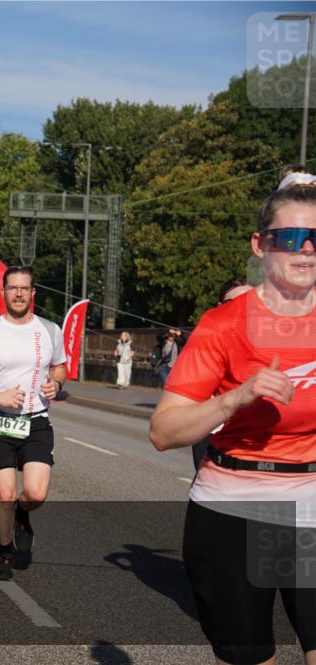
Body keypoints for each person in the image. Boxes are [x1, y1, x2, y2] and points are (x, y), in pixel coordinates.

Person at [149, 185, 315, 665]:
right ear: (260, 245)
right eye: (292, 236)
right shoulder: (223, 325)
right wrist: (236, 398)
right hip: (235, 511)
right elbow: (164, 432)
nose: (306, 248)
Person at [0, 266, 66, 581]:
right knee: (5, 492)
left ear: (33, 293)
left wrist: (56, 385)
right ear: (2, 292)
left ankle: (22, 513)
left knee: (36, 493)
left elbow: (60, 368)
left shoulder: (50, 330)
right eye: (12, 288)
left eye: (24, 288)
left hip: (36, 421)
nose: (18, 293)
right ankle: (4, 552)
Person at [188, 278, 254, 471]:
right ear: (220, 307)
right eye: (233, 303)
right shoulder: (204, 344)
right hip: (212, 434)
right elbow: (164, 431)